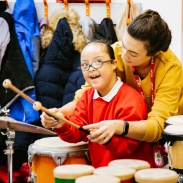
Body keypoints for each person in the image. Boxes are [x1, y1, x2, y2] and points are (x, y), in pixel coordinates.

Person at [51, 9, 183, 144]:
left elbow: (159, 126)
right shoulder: (115, 51)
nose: (124, 55)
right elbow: (83, 98)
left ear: (154, 53)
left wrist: (121, 126)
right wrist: (58, 114)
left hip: (167, 141)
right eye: (124, 45)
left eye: (133, 53)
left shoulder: (170, 69)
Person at [41, 39, 155, 168]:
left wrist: (106, 136)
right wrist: (61, 123)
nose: (91, 68)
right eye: (85, 64)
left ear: (113, 64)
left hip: (129, 176)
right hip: (101, 175)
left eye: (98, 62)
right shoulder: (87, 96)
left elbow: (127, 146)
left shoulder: (131, 99)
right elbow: (77, 131)